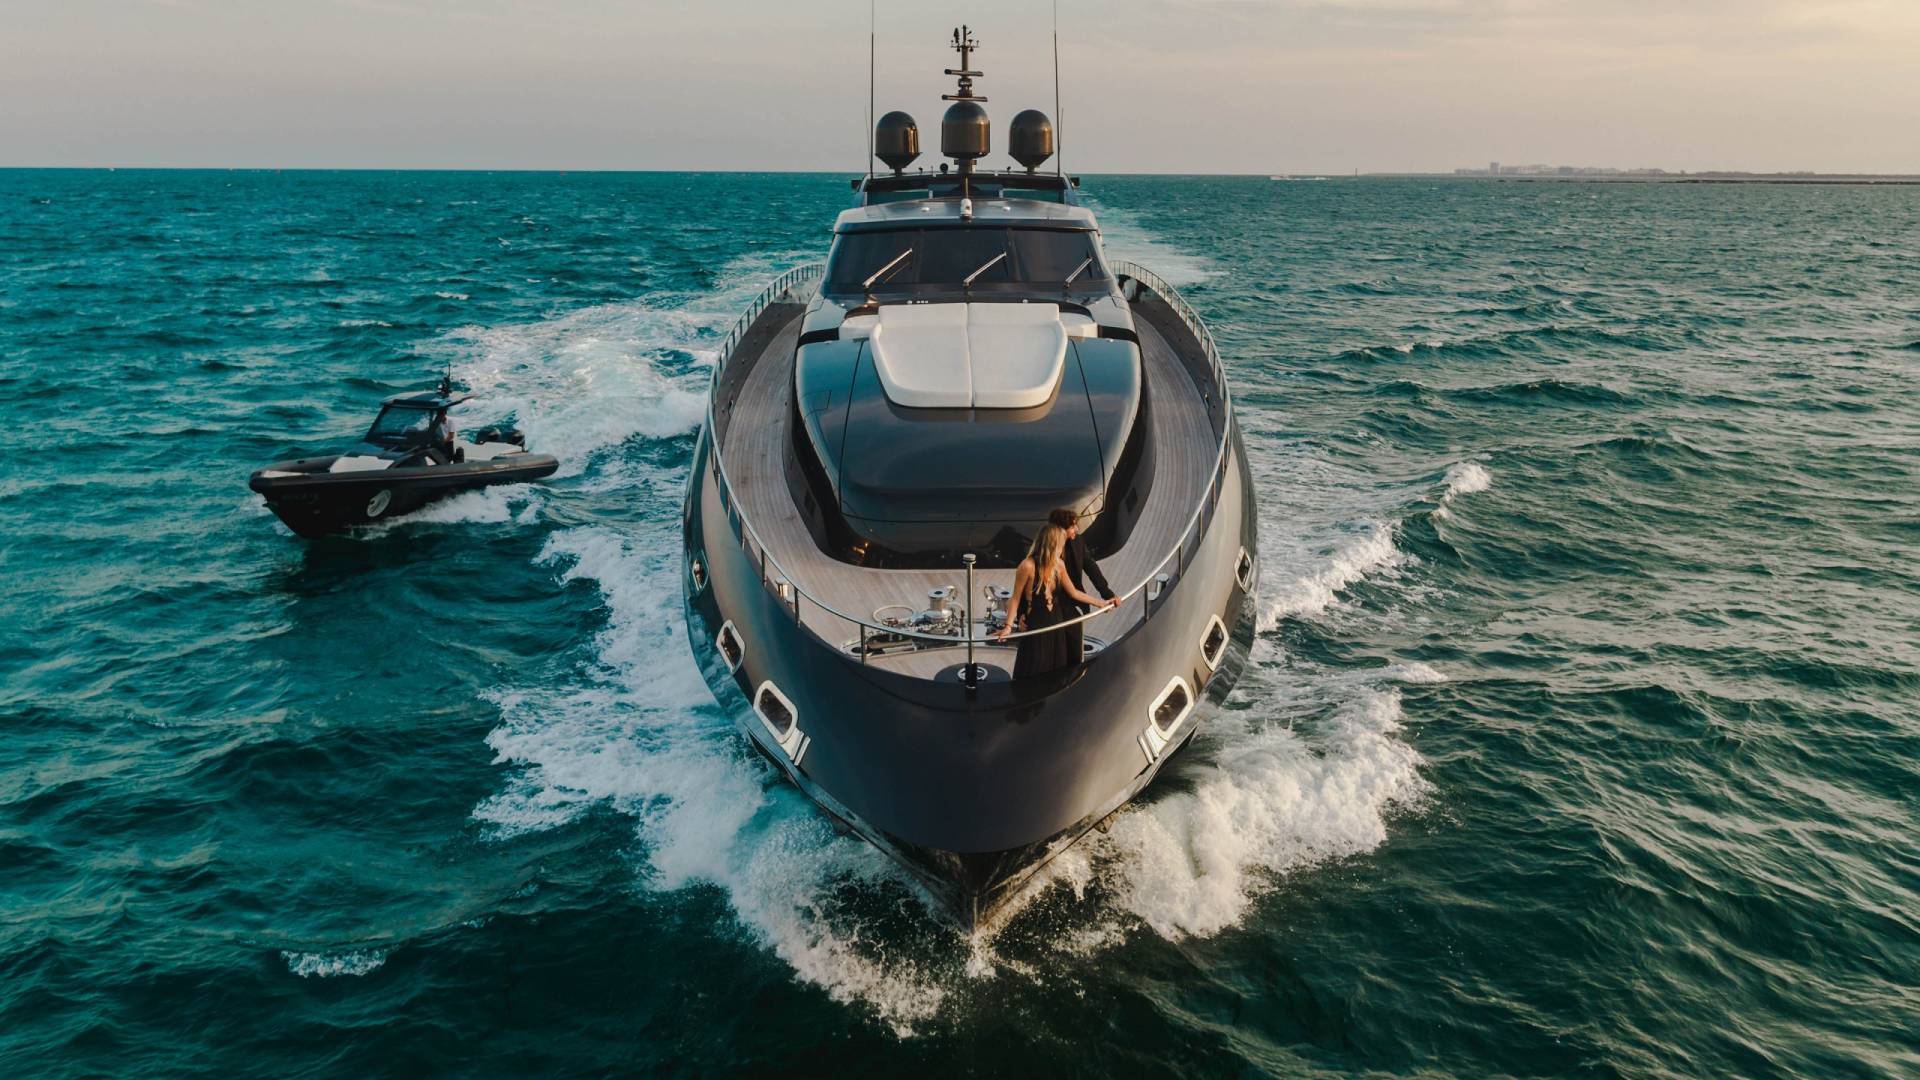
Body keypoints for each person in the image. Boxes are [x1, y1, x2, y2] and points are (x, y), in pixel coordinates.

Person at [996, 523, 1114, 678]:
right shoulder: (1027, 566)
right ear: (1053, 544)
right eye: (1062, 543)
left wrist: (1101, 603)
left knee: (1056, 668)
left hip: (1056, 620)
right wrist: (1008, 626)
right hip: (1037, 623)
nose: (1063, 547)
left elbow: (1073, 592)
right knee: (1033, 668)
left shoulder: (1059, 565)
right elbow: (1016, 598)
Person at [1049, 507, 1116, 614]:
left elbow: (1091, 567)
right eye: (1072, 526)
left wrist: (1107, 594)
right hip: (1053, 606)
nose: (1077, 529)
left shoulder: (1078, 541)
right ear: (1060, 530)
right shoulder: (1047, 551)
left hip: (1075, 600)